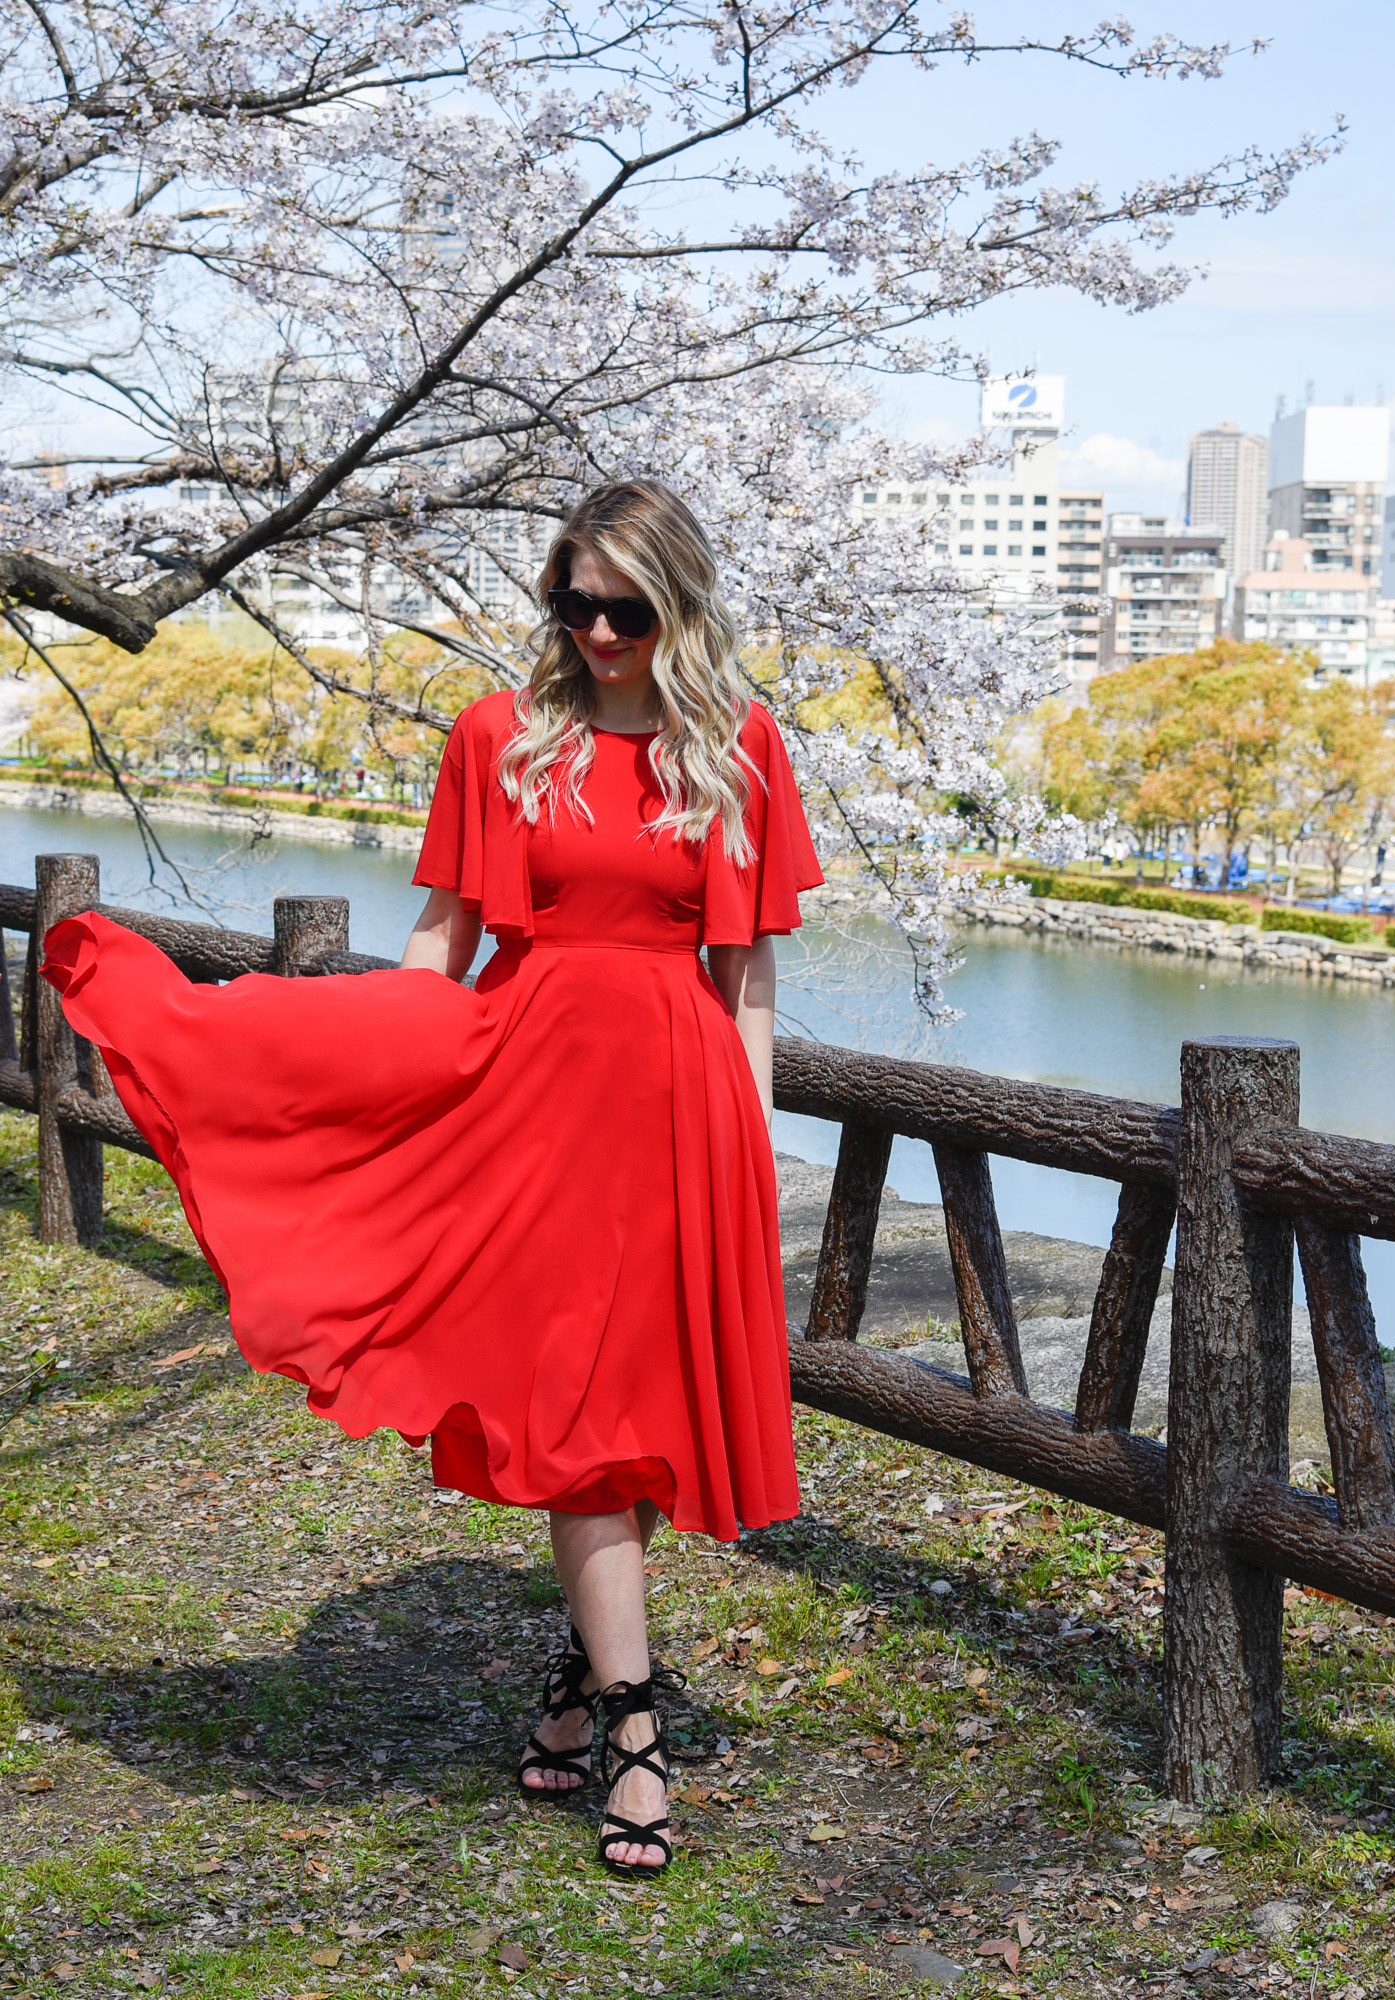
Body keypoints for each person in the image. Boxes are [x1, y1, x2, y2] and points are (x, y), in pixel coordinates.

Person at [40, 479, 822, 1877]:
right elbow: (437, 948)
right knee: (581, 1421)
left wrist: (754, 1152)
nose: (594, 633)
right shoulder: (497, 739)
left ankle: (584, 1686)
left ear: (678, 604)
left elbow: (748, 976)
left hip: (680, 1110)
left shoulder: (740, 745)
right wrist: (356, 1065)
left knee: (640, 1408)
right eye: (570, 604)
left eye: (623, 609)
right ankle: (638, 1730)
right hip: (528, 1101)